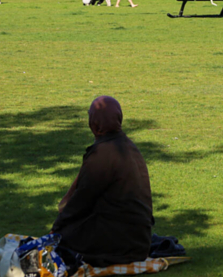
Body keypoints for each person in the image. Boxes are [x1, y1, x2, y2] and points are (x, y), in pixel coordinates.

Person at [50, 96, 153, 267]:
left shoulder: (103, 154)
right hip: (140, 240)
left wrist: (57, 228)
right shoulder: (129, 147)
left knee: (62, 238)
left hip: (122, 244)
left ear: (94, 124)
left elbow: (81, 200)